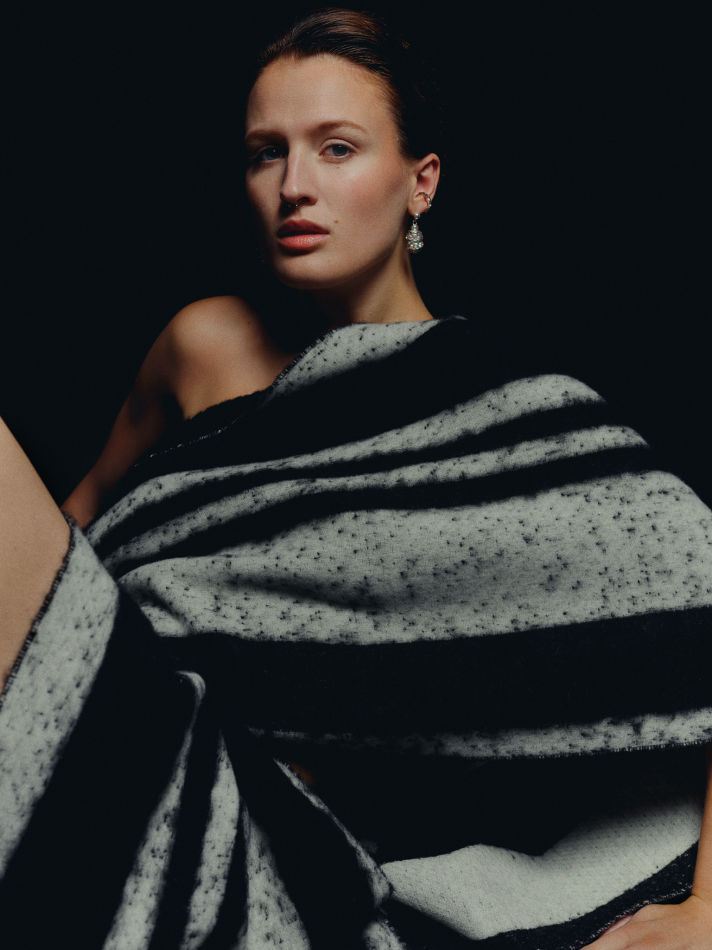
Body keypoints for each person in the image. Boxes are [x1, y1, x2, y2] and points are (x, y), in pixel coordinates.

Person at [1, 8, 711, 949]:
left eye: (336, 148)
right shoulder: (198, 345)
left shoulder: (509, 414)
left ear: (421, 183)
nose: (294, 186)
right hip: (90, 730)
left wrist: (708, 911)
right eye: (267, 153)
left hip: (269, 858)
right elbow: (70, 545)